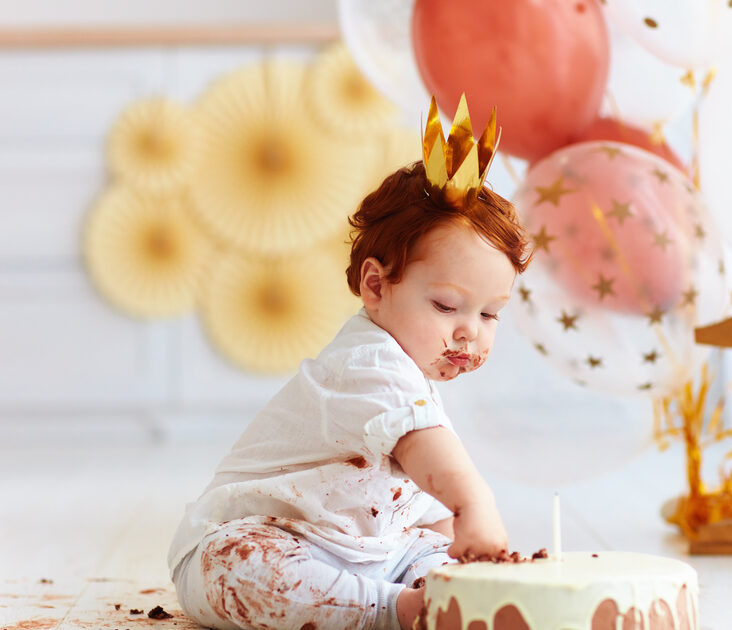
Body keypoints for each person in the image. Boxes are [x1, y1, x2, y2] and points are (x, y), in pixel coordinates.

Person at [167, 155, 532, 630]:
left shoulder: (413, 371)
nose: (469, 332)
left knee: (435, 554)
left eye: (489, 315)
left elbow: (427, 502)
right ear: (376, 286)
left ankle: (432, 598)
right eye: (447, 305)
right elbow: (431, 454)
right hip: (276, 536)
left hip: (377, 552)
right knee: (238, 566)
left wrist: (456, 550)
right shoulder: (368, 362)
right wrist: (476, 508)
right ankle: (394, 610)